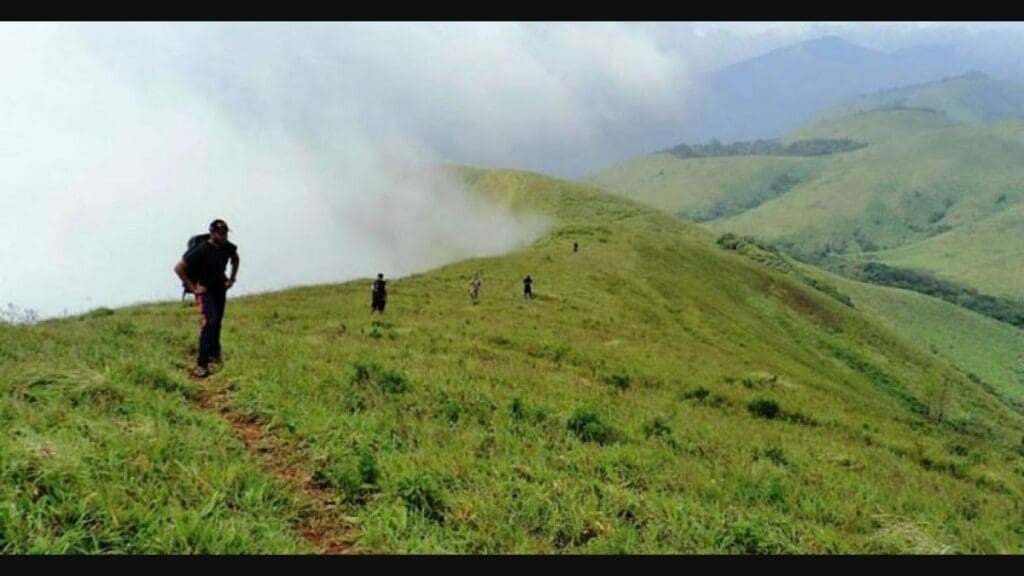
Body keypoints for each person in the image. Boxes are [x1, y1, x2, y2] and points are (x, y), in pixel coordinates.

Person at [174, 219, 239, 379]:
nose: (223, 236)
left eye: (225, 233)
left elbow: (235, 259)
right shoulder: (201, 249)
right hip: (205, 291)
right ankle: (201, 364)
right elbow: (179, 267)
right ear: (212, 233)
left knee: (217, 323)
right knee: (209, 323)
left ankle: (215, 356)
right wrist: (194, 288)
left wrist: (232, 278)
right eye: (220, 233)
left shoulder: (227, 248)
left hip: (219, 290)